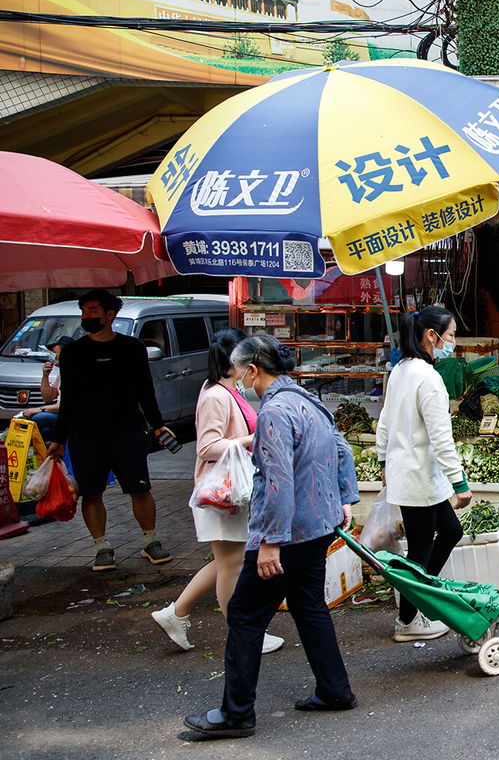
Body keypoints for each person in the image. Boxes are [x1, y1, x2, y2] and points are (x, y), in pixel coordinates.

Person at [185, 335, 359, 740]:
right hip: (318, 524)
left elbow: (276, 482)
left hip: (291, 532)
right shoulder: (306, 400)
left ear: (252, 370)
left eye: (239, 370)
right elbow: (341, 450)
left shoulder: (275, 413)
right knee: (310, 606)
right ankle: (335, 691)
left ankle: (236, 714)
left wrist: (270, 541)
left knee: (245, 615)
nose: (237, 379)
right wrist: (345, 498)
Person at [150, 329, 284, 655]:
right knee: (232, 565)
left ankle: (175, 613)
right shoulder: (216, 395)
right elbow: (207, 447)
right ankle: (243, 633)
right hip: (221, 493)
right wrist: (253, 440)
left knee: (227, 561)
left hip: (231, 490)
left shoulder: (228, 389)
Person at [47, 290, 176, 572]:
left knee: (139, 488)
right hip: (84, 435)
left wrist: (158, 425)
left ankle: (150, 541)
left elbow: (145, 390)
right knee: (91, 493)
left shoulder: (132, 348)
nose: (87, 316)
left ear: (109, 315)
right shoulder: (73, 353)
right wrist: (58, 439)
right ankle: (102, 547)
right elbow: (67, 398)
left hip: (127, 431)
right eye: (84, 311)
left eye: (93, 311)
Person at [375, 305, 472, 642]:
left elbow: (384, 420)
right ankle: (408, 619)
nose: (453, 342)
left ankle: (422, 597)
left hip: (415, 476)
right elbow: (441, 437)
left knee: (450, 532)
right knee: (418, 551)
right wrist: (460, 482)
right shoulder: (429, 379)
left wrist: (382, 461)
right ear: (431, 336)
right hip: (417, 478)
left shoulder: (400, 369)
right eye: (451, 335)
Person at [21, 335, 72, 444]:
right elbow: (48, 397)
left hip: (72, 417)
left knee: (39, 419)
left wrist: (40, 409)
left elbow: (66, 406)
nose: (52, 356)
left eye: (54, 352)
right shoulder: (61, 373)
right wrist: (45, 376)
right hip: (62, 414)